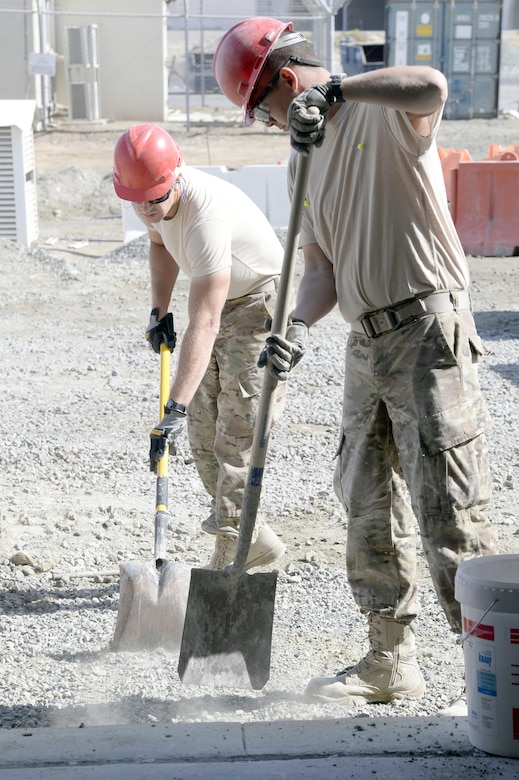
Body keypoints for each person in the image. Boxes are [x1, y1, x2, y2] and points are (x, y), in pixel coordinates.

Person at [212, 17, 498, 710]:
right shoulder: (299, 160)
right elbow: (321, 270)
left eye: (261, 110)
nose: (266, 124)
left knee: (447, 509)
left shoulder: (384, 111)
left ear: (284, 80)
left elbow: (431, 85)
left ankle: (492, 672)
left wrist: (337, 88)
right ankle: (387, 661)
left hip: (427, 330)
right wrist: (296, 327)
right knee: (366, 502)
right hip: (364, 343)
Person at [112, 123, 289, 571]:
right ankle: (257, 538)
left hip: (257, 306)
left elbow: (206, 322)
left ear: (175, 176)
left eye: (156, 198)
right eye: (138, 202)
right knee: (202, 434)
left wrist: (174, 406)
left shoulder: (204, 217)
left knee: (236, 433)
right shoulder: (154, 207)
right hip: (221, 303)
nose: (148, 210)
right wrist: (159, 311)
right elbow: (160, 244)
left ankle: (231, 551)